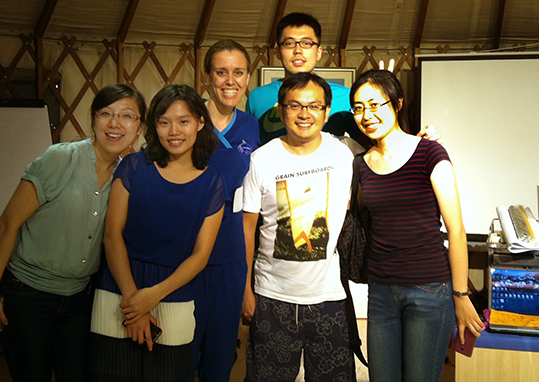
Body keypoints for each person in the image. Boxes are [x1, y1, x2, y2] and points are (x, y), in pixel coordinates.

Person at [0, 84, 146, 382]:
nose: (115, 124)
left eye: (127, 116)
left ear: (140, 127)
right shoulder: (60, 158)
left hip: (79, 300)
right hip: (28, 295)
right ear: (93, 119)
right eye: (106, 113)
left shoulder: (128, 176)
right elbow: (7, 223)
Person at [349, 69, 484, 382]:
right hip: (381, 292)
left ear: (396, 105)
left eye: (375, 105)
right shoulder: (363, 163)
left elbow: (456, 231)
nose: (366, 115)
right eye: (358, 107)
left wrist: (460, 296)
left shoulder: (429, 152)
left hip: (429, 291)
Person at [87, 84, 225, 382]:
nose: (174, 131)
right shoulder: (135, 167)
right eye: (164, 122)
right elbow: (112, 235)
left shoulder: (213, 183)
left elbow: (201, 255)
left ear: (201, 123)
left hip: (173, 292)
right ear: (154, 126)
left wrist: (152, 296)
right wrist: (133, 302)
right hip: (117, 289)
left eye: (183, 121)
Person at [242, 72, 354, 381]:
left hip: (328, 297)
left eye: (314, 106)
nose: (304, 114)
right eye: (294, 105)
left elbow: (388, 156)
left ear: (326, 112)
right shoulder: (261, 160)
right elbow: (246, 228)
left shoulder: (343, 154)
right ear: (281, 110)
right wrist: (245, 291)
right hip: (271, 297)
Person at [189, 40, 260, 381]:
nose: (230, 80)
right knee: (181, 352)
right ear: (206, 77)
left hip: (231, 251)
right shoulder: (185, 120)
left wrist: (247, 284)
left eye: (238, 72)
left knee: (220, 357)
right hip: (185, 250)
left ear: (248, 78)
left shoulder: (251, 126)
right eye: (221, 72)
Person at [246, 12, 364, 145]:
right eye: (289, 43)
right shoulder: (257, 97)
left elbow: (369, 146)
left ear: (319, 52)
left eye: (306, 43)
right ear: (278, 52)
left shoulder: (345, 97)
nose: (297, 50)